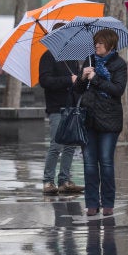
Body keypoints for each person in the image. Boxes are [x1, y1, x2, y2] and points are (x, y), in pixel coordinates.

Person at [74, 29, 127, 216]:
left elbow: (118, 90)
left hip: (109, 120)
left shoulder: (118, 64)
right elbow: (78, 90)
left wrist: (95, 79)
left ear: (111, 45)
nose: (97, 45)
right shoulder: (89, 61)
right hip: (89, 119)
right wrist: (82, 77)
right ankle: (91, 203)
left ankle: (108, 202)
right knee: (89, 164)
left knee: (105, 162)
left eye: (101, 43)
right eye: (96, 42)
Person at [39, 24, 84, 195]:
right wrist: (68, 79)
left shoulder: (71, 59)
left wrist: (80, 79)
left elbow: (76, 82)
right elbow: (45, 81)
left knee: (71, 145)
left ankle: (64, 180)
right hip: (56, 107)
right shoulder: (47, 56)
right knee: (56, 145)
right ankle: (48, 181)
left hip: (72, 106)